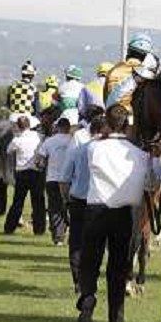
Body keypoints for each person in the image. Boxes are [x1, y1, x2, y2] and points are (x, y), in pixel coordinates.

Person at [77, 105, 151, 322]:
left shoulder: (93, 148)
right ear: (127, 125)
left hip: (96, 208)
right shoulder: (140, 154)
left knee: (90, 261)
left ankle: (87, 302)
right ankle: (116, 315)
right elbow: (151, 182)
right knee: (119, 265)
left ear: (107, 123)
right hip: (125, 213)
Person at [62, 114, 110, 292]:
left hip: (78, 200)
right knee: (98, 243)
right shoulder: (109, 151)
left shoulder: (78, 150)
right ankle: (92, 278)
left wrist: (66, 199)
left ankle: (78, 280)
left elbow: (64, 179)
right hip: (100, 202)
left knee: (76, 242)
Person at [4, 115, 46, 235]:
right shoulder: (39, 137)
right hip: (37, 172)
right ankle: (39, 229)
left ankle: (9, 227)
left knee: (18, 202)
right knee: (38, 202)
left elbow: (8, 150)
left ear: (18, 126)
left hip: (22, 173)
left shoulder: (17, 139)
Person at [36, 117, 72, 245]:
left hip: (52, 178)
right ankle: (70, 230)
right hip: (69, 180)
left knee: (54, 207)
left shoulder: (49, 141)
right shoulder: (73, 141)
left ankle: (58, 238)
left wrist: (42, 165)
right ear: (68, 128)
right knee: (69, 207)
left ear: (57, 127)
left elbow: (39, 160)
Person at [104, 33, 154, 120]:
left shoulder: (113, 69)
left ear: (129, 51)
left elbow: (106, 96)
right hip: (136, 120)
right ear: (146, 56)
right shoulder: (149, 75)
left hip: (113, 117)